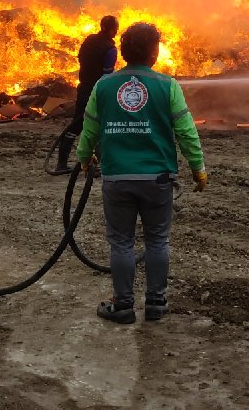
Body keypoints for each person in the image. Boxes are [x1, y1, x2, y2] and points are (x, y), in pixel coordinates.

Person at [75, 21, 206, 324]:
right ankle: (156, 304)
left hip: (117, 178)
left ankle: (122, 306)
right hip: (158, 179)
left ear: (122, 52)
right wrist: (198, 167)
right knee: (158, 240)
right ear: (153, 53)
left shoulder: (103, 86)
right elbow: (186, 132)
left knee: (121, 242)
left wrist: (84, 158)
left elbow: (89, 128)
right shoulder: (167, 86)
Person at [55, 15, 119, 174]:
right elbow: (107, 75)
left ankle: (61, 164)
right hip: (98, 93)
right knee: (101, 127)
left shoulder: (89, 41)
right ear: (111, 29)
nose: (117, 31)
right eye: (116, 28)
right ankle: (96, 167)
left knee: (75, 126)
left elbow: (81, 59)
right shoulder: (110, 49)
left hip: (83, 89)